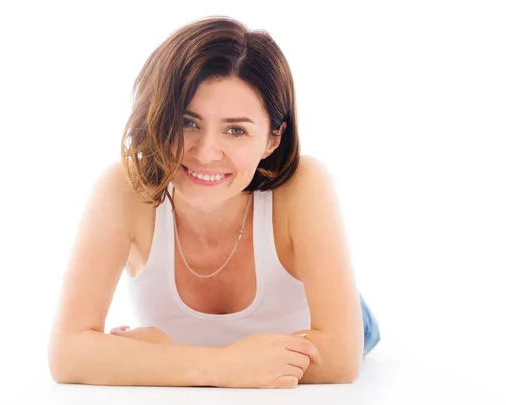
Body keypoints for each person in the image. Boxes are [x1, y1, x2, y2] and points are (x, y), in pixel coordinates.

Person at [48, 16, 380, 389]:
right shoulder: (124, 189)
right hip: (276, 347)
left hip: (320, 311)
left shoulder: (304, 186)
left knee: (351, 320)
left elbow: (339, 358)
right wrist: (224, 365)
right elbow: (67, 354)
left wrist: (163, 357)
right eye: (188, 122)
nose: (206, 153)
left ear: (272, 139)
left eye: (236, 130)